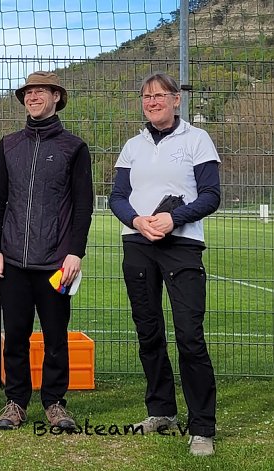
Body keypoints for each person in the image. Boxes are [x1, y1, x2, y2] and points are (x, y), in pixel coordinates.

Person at [109, 72, 219, 457]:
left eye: (159, 95)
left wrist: (175, 218)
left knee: (189, 335)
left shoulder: (197, 140)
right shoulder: (132, 146)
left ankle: (202, 426)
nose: (152, 101)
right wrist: (137, 221)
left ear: (176, 100)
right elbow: (118, 197)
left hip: (181, 245)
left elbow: (211, 194)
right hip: (139, 244)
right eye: (146, 96)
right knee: (148, 331)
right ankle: (161, 412)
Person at [0, 71, 93, 432]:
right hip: (13, 260)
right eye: (28, 92)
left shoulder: (73, 148)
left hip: (56, 263)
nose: (32, 97)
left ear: (56, 97)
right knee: (15, 335)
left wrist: (74, 252)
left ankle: (55, 403)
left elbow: (83, 205)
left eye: (40, 92)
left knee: (55, 336)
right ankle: (15, 402)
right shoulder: (9, 144)